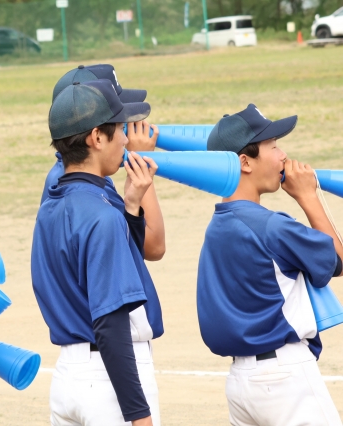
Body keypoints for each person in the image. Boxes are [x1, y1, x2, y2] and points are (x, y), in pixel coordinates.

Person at [197, 104, 343, 425]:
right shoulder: (272, 225)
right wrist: (307, 196)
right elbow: (338, 260)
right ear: (245, 162)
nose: (283, 155)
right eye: (273, 146)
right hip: (284, 379)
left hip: (240, 383)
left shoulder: (215, 226)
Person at [42, 64, 166, 423]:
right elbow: (110, 322)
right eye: (119, 130)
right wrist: (138, 414)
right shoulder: (99, 212)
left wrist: (131, 208)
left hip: (69, 375)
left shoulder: (52, 204)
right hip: (110, 378)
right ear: (97, 137)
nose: (126, 139)